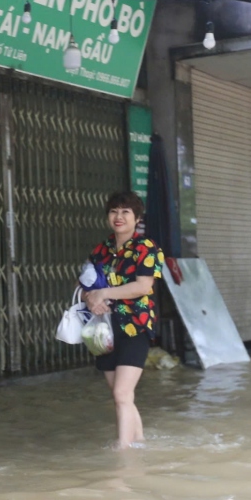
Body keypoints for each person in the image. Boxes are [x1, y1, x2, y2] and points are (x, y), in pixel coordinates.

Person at [82, 191, 166, 448]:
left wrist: (104, 293)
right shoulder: (101, 250)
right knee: (121, 395)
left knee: (121, 393)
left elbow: (142, 286)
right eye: (113, 211)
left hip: (134, 328)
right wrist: (91, 300)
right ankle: (139, 441)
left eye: (125, 212)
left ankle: (123, 450)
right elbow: (84, 284)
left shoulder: (147, 248)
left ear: (137, 218)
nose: (118, 217)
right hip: (104, 331)